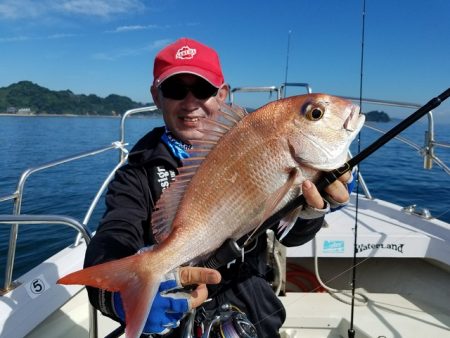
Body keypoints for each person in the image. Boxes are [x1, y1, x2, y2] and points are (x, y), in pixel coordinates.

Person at [84, 37, 353, 337]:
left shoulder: (259, 145)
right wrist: (117, 299)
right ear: (157, 96)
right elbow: (114, 234)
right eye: (174, 90)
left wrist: (308, 213)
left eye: (203, 89)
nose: (190, 102)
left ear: (222, 94)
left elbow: (289, 236)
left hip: (251, 314)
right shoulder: (137, 173)